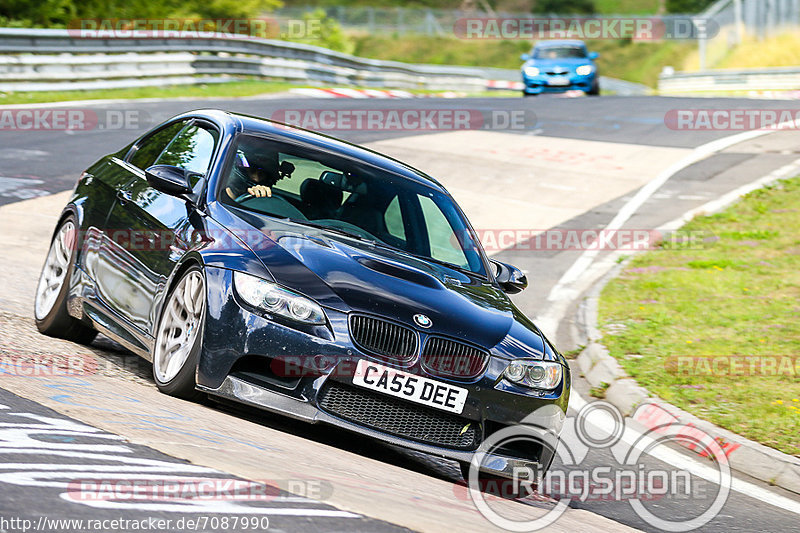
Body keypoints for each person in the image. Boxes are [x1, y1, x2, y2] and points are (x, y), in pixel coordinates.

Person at [225, 149, 294, 201]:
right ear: (241, 171)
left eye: (262, 173)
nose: (256, 179)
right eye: (252, 171)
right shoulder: (218, 195)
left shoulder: (274, 201)